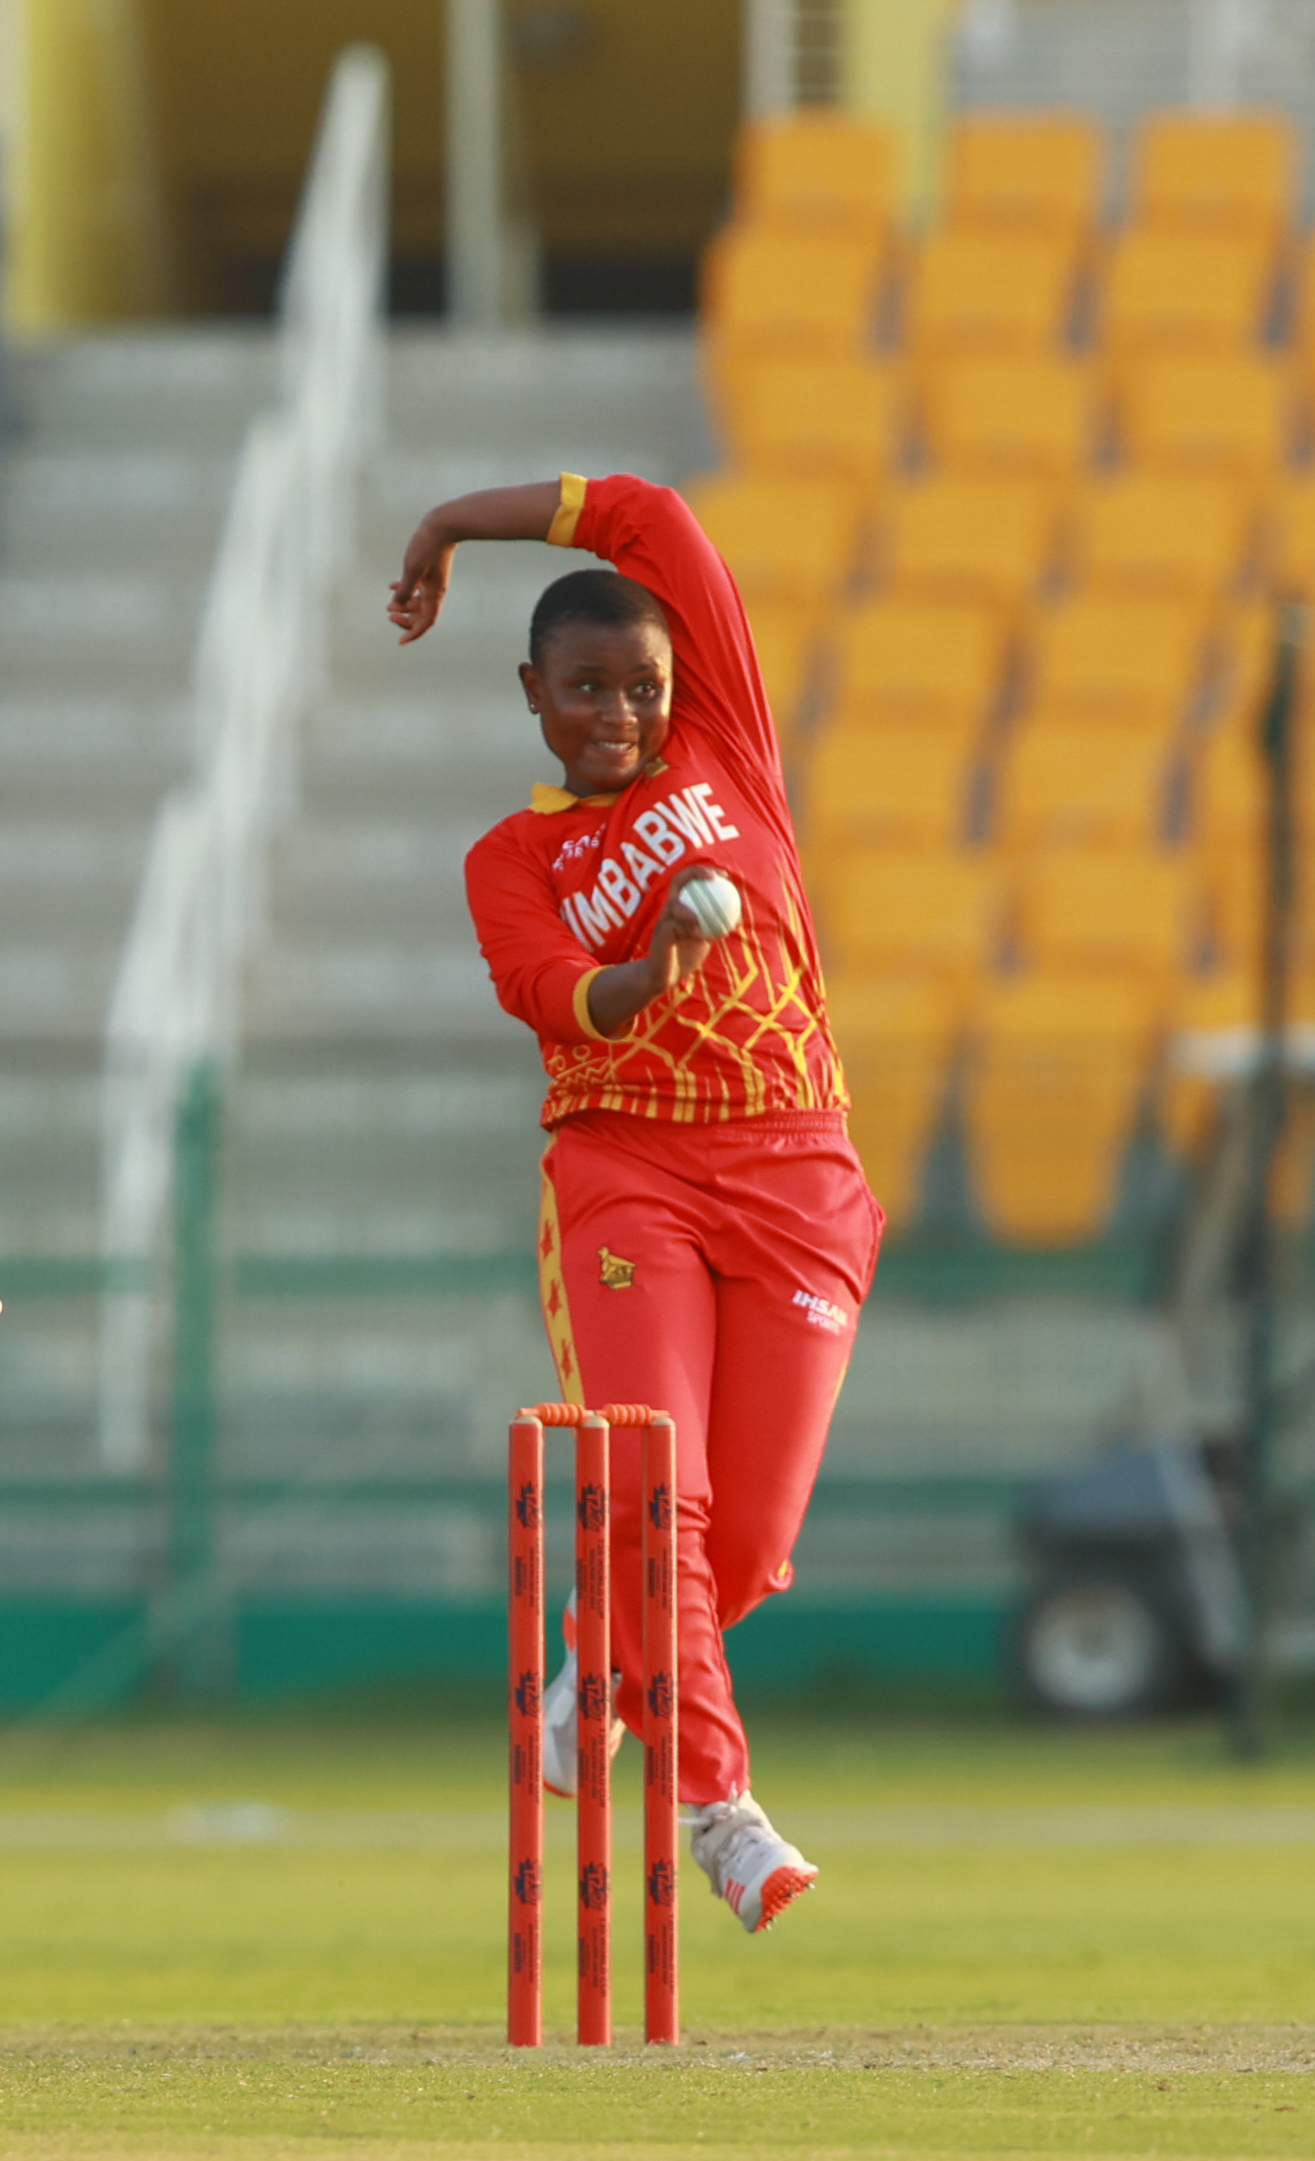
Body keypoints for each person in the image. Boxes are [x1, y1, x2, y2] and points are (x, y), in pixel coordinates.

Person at [389, 472, 883, 1934]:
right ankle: (720, 1809)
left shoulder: (727, 744)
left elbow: (649, 516)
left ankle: (594, 1675)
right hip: (627, 1173)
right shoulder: (513, 858)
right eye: (585, 687)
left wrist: (446, 529)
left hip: (800, 1170)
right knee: (658, 1491)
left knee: (744, 1546)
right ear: (532, 694)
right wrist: (660, 956)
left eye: (641, 685)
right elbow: (566, 999)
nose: (618, 711)